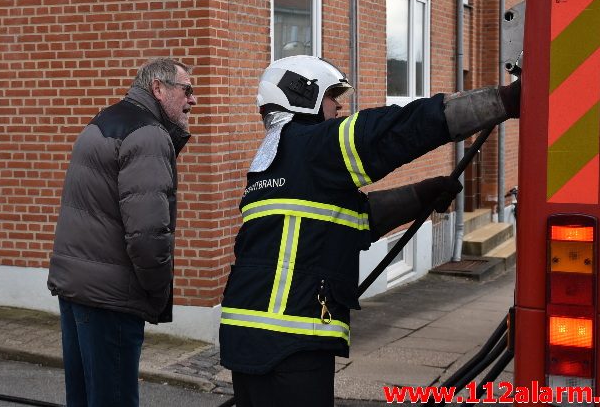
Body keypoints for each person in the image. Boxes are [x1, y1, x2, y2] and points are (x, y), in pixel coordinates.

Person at [219, 55, 521, 407]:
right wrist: (503, 100)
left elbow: (353, 222)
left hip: (251, 338)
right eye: (333, 97)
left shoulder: (275, 158)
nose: (339, 107)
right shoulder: (315, 144)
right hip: (291, 340)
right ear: (304, 94)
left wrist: (418, 195)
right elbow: (394, 130)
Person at [47, 58, 197, 407]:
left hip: (80, 289)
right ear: (158, 89)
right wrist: (156, 292)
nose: (193, 100)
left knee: (84, 398)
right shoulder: (148, 135)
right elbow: (147, 235)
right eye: (186, 90)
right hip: (111, 298)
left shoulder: (105, 120)